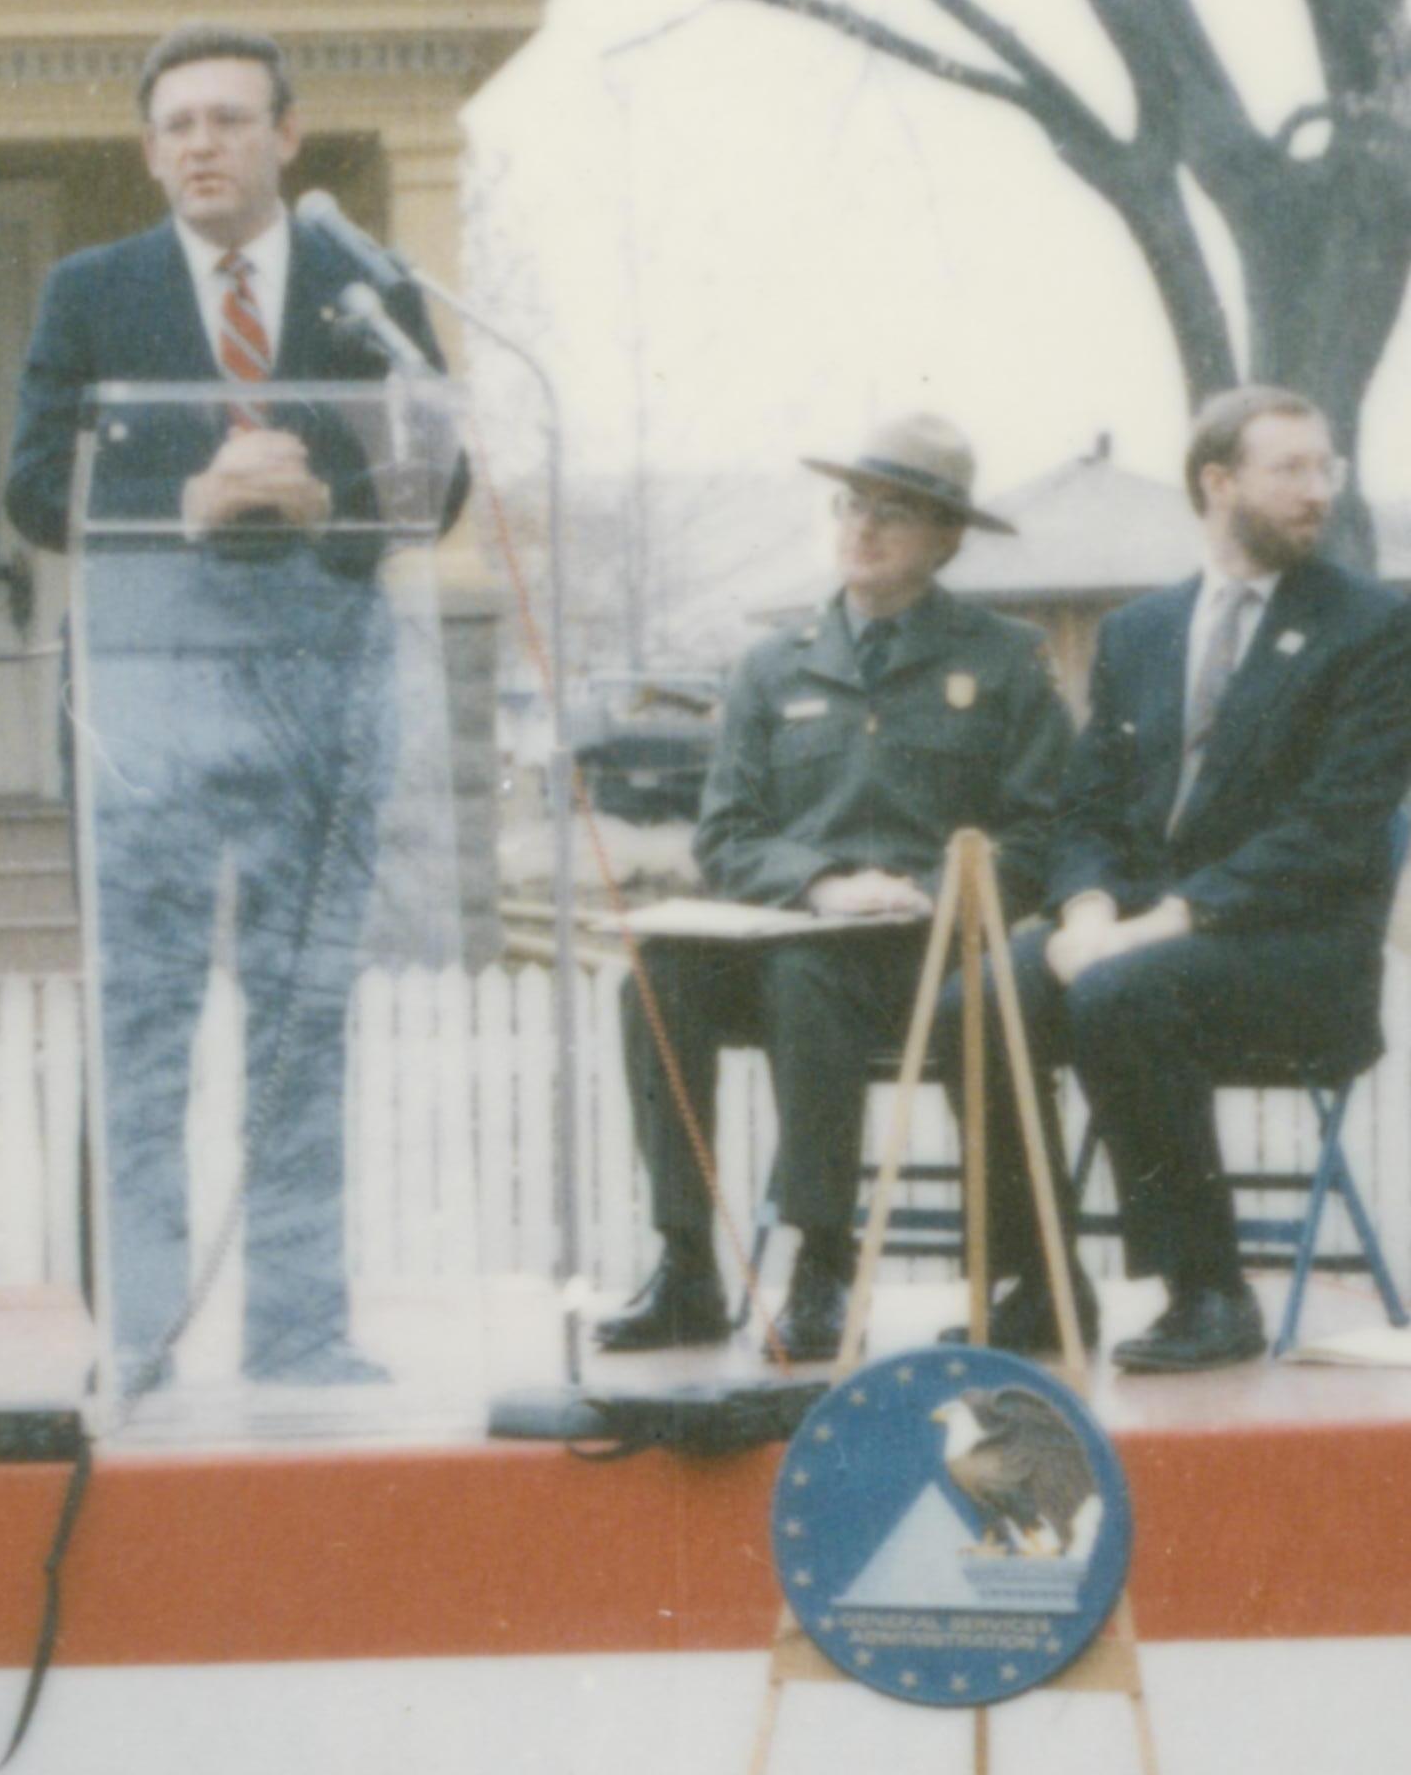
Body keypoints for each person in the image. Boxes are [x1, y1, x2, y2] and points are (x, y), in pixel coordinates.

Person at [0, 22, 457, 1394]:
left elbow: (438, 486)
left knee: (298, 1023)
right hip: (151, 707)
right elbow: (31, 487)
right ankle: (138, 1332)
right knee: (139, 1023)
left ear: (286, 137)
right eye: (178, 125)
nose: (202, 144)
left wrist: (333, 504)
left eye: (229, 120)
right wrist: (184, 501)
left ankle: (300, 1329)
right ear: (150, 151)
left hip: (319, 704)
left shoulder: (368, 288)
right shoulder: (95, 290)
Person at [601, 413, 1073, 1364]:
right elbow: (725, 834)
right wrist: (818, 884)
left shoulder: (1001, 658)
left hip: (929, 956)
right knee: (653, 977)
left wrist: (928, 893)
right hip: (800, 935)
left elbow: (1044, 830)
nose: (864, 528)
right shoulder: (773, 666)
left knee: (805, 981)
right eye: (853, 504)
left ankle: (822, 1262)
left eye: (895, 513)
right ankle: (688, 1261)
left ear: (946, 539)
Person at [981, 388, 1411, 1372]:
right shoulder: (1140, 631)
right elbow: (1085, 807)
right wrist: (1087, 905)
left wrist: (1157, 924)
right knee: (991, 990)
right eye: (1291, 469)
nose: (1318, 492)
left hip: (1297, 955)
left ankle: (1207, 1295)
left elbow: (1332, 830)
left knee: (1123, 990)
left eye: (1326, 468)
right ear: (1217, 483)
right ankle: (1040, 1277)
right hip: (1139, 937)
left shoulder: (1374, 628)